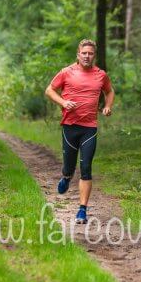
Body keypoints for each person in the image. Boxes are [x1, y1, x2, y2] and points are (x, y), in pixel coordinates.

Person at [45, 39, 114, 224]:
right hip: (70, 126)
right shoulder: (67, 72)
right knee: (69, 166)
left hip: (89, 128)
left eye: (90, 53)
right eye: (84, 53)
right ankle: (66, 177)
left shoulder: (101, 75)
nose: (87, 56)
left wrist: (107, 106)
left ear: (94, 55)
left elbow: (110, 91)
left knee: (86, 168)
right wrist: (63, 102)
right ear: (78, 54)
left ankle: (82, 210)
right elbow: (50, 90)